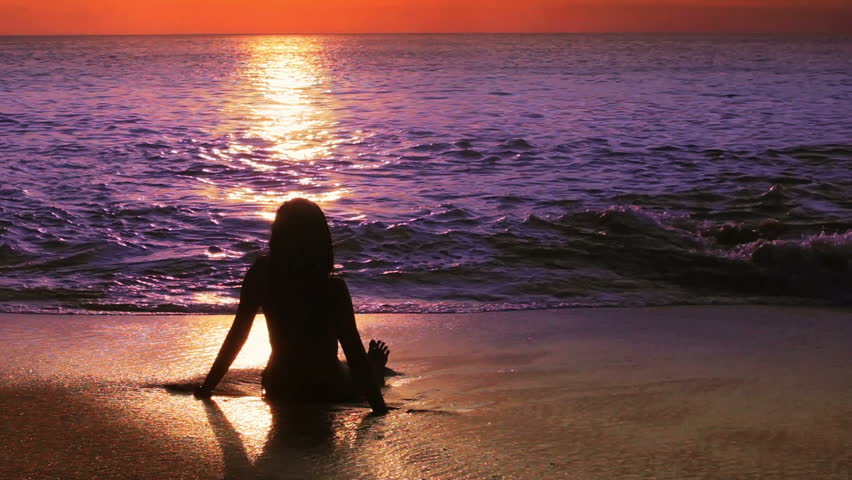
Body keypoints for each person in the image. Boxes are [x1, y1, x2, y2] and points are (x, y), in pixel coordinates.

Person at [195, 198, 390, 415]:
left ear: (278, 235)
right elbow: (353, 352)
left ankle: (374, 368)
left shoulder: (261, 273)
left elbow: (238, 334)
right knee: (359, 370)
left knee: (347, 367)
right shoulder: (332, 287)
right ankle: (376, 369)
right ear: (321, 241)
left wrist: (207, 388)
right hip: (327, 387)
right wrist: (380, 409)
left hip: (279, 384)